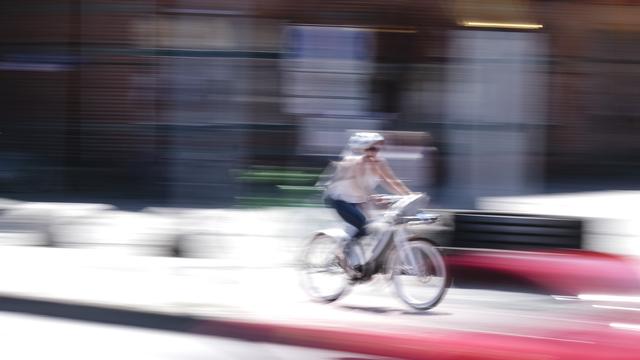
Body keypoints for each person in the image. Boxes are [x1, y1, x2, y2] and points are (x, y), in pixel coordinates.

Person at [322, 132, 411, 275]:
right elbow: (361, 185)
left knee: (372, 227)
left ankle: (361, 264)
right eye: (371, 149)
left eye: (376, 149)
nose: (374, 152)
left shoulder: (380, 162)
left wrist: (409, 196)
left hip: (358, 200)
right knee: (362, 224)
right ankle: (341, 253)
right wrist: (374, 197)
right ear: (362, 149)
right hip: (339, 199)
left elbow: (392, 181)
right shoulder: (355, 162)